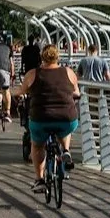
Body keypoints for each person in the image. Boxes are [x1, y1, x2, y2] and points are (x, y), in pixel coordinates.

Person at [19, 44, 81, 192]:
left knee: (38, 146)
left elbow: (22, 91)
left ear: (42, 57)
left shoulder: (33, 74)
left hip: (41, 119)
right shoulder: (68, 72)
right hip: (66, 118)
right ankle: (66, 150)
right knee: (65, 128)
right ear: (58, 57)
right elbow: (77, 93)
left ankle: (39, 179)